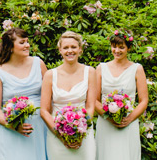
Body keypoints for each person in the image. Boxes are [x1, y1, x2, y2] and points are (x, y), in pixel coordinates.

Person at [0, 28, 48, 160]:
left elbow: (49, 96)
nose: (27, 45)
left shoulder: (39, 64)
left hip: (40, 129)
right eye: (22, 42)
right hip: (13, 132)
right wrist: (12, 125)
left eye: (27, 42)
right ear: (10, 47)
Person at [41, 31, 96, 159]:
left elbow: (90, 106)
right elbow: (44, 110)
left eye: (73, 47)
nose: (69, 51)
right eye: (65, 47)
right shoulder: (50, 75)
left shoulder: (90, 72)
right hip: (56, 135)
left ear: (80, 49)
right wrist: (61, 134)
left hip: (83, 134)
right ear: (60, 50)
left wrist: (80, 133)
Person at [95, 29, 148, 160]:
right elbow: (94, 100)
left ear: (128, 48)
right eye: (114, 47)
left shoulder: (137, 69)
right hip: (106, 123)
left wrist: (129, 119)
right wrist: (108, 117)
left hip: (128, 123)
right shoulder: (101, 68)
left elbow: (144, 100)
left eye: (121, 47)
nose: (117, 51)